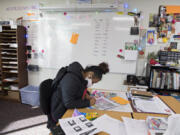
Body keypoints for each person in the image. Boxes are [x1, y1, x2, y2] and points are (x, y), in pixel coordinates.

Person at [48, 61, 109, 135]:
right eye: (93, 82)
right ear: (90, 74)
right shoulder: (71, 79)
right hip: (61, 111)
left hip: (70, 109)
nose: (92, 84)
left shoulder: (80, 77)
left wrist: (86, 94)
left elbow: (80, 89)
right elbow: (69, 103)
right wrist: (88, 103)